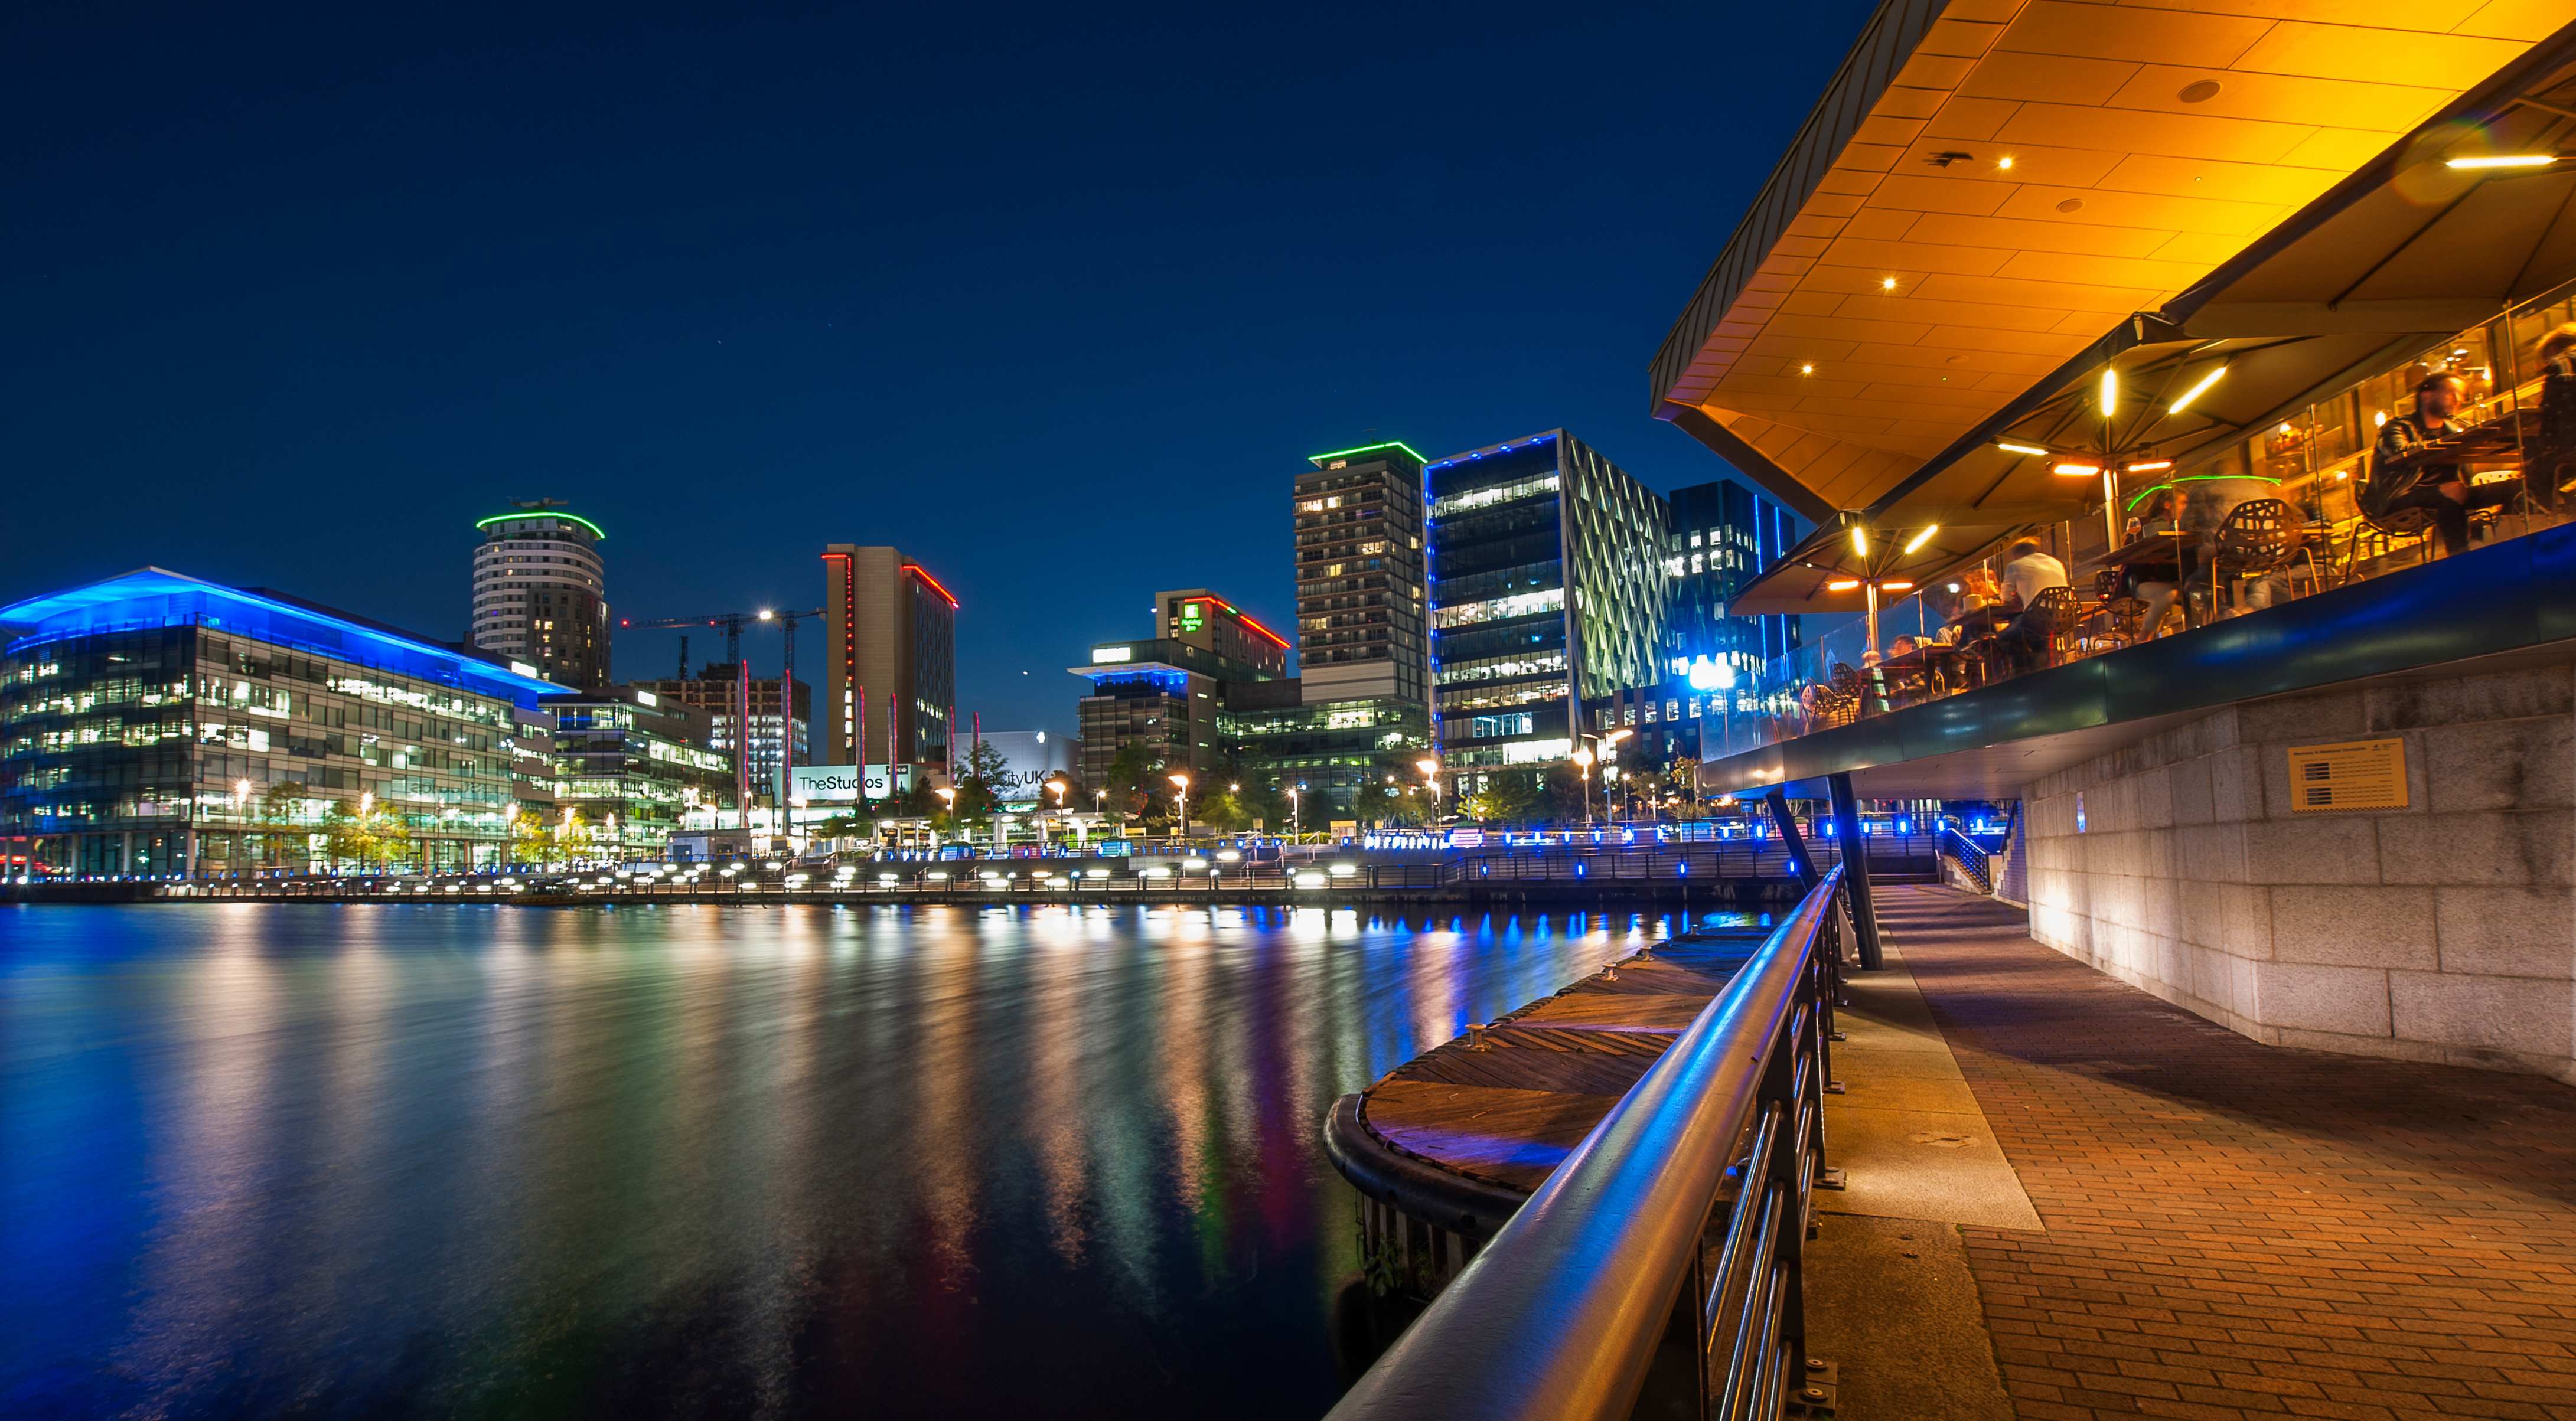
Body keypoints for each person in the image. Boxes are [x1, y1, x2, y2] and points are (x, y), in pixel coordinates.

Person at [2371, 373, 2519, 556]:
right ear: (2427, 396)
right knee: (2451, 495)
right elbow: (2398, 450)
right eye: (2451, 393)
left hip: (2452, 492)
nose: (2458, 400)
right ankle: (2461, 556)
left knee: (2514, 488)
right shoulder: (2397, 426)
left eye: (2461, 394)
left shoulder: (2454, 429)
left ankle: (2502, 539)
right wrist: (2451, 442)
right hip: (2399, 497)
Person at [2120, 489, 2187, 636]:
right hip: (2138, 581)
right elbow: (2128, 547)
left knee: (2195, 587)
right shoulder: (2143, 523)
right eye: (2183, 502)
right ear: (2167, 504)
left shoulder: (2178, 527)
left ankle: (2198, 629)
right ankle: (2144, 638)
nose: (2185, 508)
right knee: (2167, 594)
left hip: (2167, 580)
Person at [1996, 539, 2068, 672]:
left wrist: (2016, 598)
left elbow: (2005, 599)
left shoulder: (2015, 565)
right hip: (2063, 617)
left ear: (2018, 553)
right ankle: (2040, 671)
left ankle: (2026, 668)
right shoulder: (2056, 563)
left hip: (2035, 618)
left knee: (2001, 638)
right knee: (2040, 642)